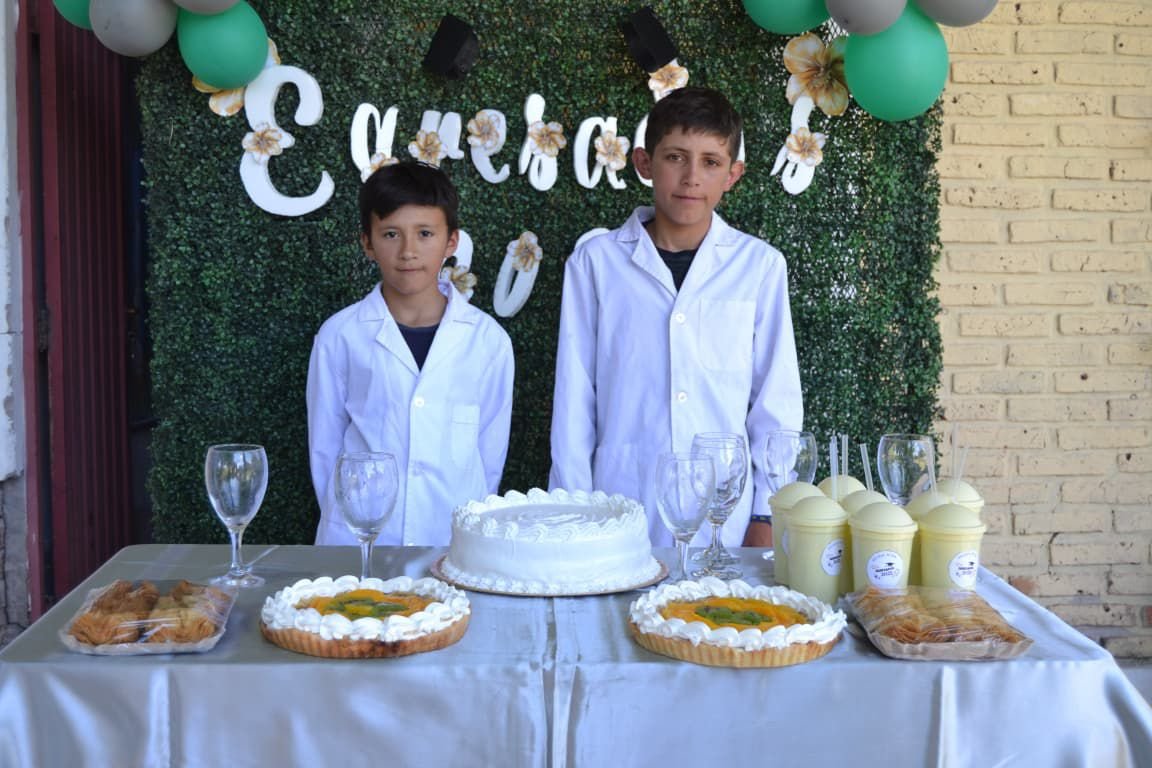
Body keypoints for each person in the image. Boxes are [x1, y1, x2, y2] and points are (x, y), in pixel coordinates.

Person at [549, 86, 803, 548]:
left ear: (733, 174)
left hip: (726, 516)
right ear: (644, 163)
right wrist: (572, 511)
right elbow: (574, 400)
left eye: (711, 162)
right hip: (618, 508)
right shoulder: (596, 263)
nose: (691, 178)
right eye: (675, 158)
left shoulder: (759, 267)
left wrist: (768, 512)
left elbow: (776, 400)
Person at [308, 161, 514, 546]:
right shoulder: (341, 336)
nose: (408, 251)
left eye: (425, 233)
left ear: (451, 242)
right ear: (367, 243)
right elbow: (325, 450)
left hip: (451, 539)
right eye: (391, 234)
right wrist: (348, 526)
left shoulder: (488, 341)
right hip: (360, 542)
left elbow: (489, 455)